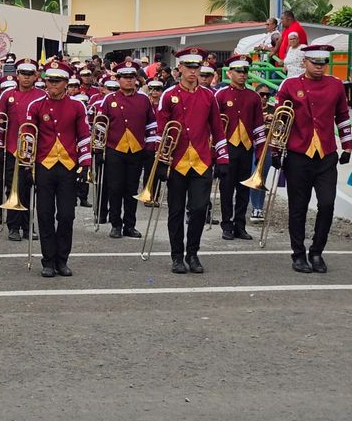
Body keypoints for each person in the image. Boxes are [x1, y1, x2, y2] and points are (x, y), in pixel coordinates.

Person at [276, 44, 352, 273]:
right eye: (315, 63)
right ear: (304, 62)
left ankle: (317, 251)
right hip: (298, 155)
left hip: (326, 154)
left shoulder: (336, 85)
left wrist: (347, 146)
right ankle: (298, 254)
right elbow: (279, 120)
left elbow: (343, 116)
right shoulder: (290, 85)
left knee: (327, 203)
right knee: (298, 207)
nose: (319, 67)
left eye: (323, 63)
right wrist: (275, 151)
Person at [157, 47, 229, 275]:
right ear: (179, 68)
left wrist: (223, 157)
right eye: (188, 67)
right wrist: (159, 162)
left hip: (201, 160)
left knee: (199, 208)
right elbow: (161, 131)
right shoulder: (168, 96)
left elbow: (218, 129)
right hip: (176, 161)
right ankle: (177, 256)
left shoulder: (209, 96)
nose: (192, 71)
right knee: (176, 211)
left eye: (196, 67)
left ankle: (193, 253)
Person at [25, 60, 91, 278]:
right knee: (44, 214)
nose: (52, 84)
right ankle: (48, 261)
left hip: (68, 166)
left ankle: (62, 260)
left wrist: (85, 164)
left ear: (66, 82)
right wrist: (26, 164)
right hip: (44, 165)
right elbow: (28, 137)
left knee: (66, 215)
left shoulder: (77, 106)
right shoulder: (35, 106)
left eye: (57, 80)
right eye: (49, 80)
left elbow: (84, 136)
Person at [97, 61, 158, 239]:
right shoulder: (109, 99)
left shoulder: (143, 99)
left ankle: (129, 225)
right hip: (115, 149)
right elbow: (101, 125)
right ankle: (115, 224)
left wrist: (150, 147)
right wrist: (99, 150)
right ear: (118, 79)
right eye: (125, 77)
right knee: (115, 188)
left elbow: (152, 124)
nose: (129, 81)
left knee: (132, 189)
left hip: (137, 150)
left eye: (131, 77)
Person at [0, 58, 45, 241]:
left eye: (30, 74)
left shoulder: (41, 95)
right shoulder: (7, 94)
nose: (26, 78)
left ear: (36, 76)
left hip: (34, 150)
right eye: (23, 74)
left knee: (30, 188)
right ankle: (13, 226)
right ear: (17, 75)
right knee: (12, 188)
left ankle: (28, 225)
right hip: (13, 148)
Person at [214, 55, 265, 240]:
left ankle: (240, 225)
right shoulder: (220, 95)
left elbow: (259, 125)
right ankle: (226, 224)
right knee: (226, 189)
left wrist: (260, 151)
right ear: (230, 73)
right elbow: (214, 125)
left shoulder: (253, 97)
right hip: (227, 148)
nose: (242, 75)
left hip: (246, 148)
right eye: (238, 71)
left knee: (244, 188)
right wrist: (216, 154)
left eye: (245, 71)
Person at [249, 85, 274, 222]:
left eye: (267, 95)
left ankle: (259, 207)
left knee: (261, 178)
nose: (264, 97)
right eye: (261, 94)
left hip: (267, 147)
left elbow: (280, 128)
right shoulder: (252, 108)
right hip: (252, 146)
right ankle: (255, 207)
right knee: (254, 175)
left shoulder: (273, 110)